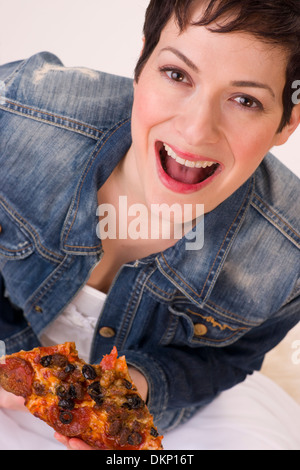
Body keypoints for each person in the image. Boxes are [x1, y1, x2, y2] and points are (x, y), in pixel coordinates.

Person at [0, 0, 299, 450]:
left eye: (245, 100)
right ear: (143, 61)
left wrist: (132, 390)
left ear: (287, 121)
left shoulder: (289, 254)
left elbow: (230, 359)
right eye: (178, 74)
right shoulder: (15, 113)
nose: (197, 131)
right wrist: (14, 361)